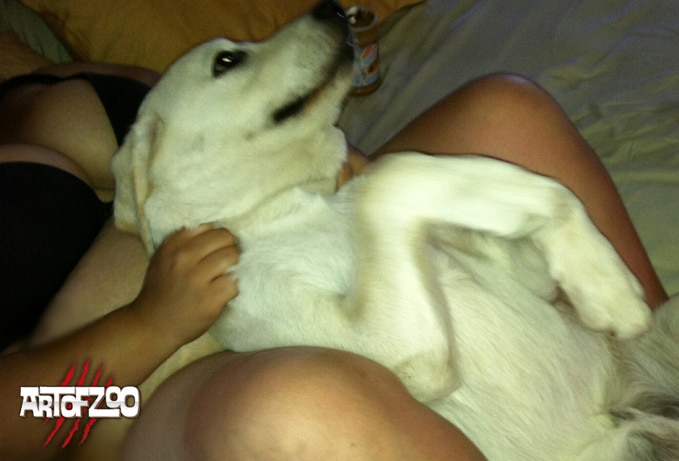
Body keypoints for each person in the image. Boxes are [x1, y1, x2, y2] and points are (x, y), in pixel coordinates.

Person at [0, 60, 667, 461]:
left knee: (504, 112)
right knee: (292, 408)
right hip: (129, 383)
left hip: (280, 243)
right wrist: (150, 325)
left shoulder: (54, 81)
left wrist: (327, 162)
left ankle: (657, 369)